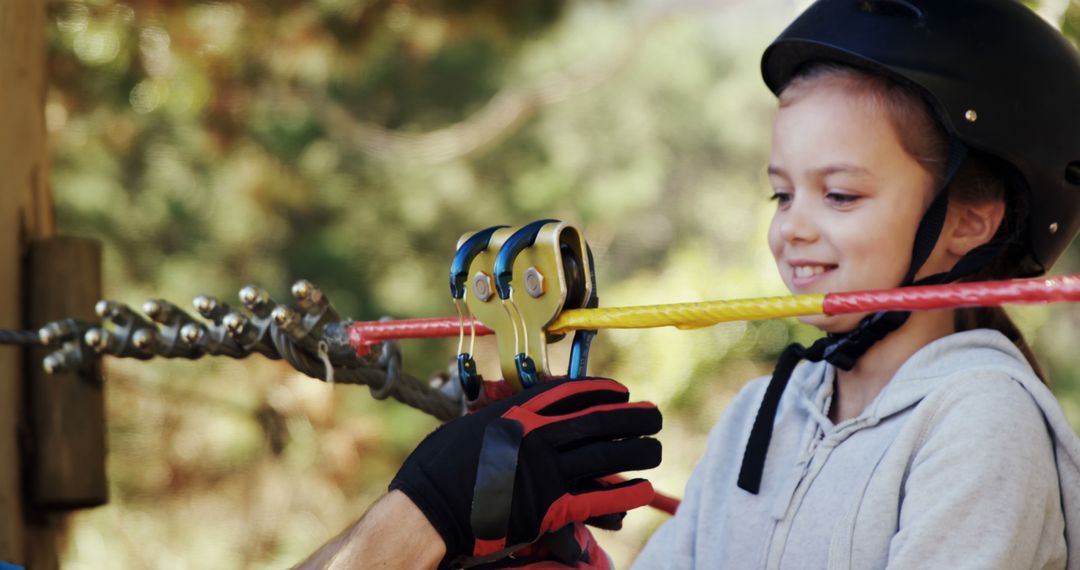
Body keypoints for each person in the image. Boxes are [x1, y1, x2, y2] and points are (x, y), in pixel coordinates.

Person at [297, 0, 1080, 567]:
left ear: (974, 217)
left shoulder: (982, 420)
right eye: (782, 192)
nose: (792, 227)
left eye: (839, 194)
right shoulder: (765, 413)